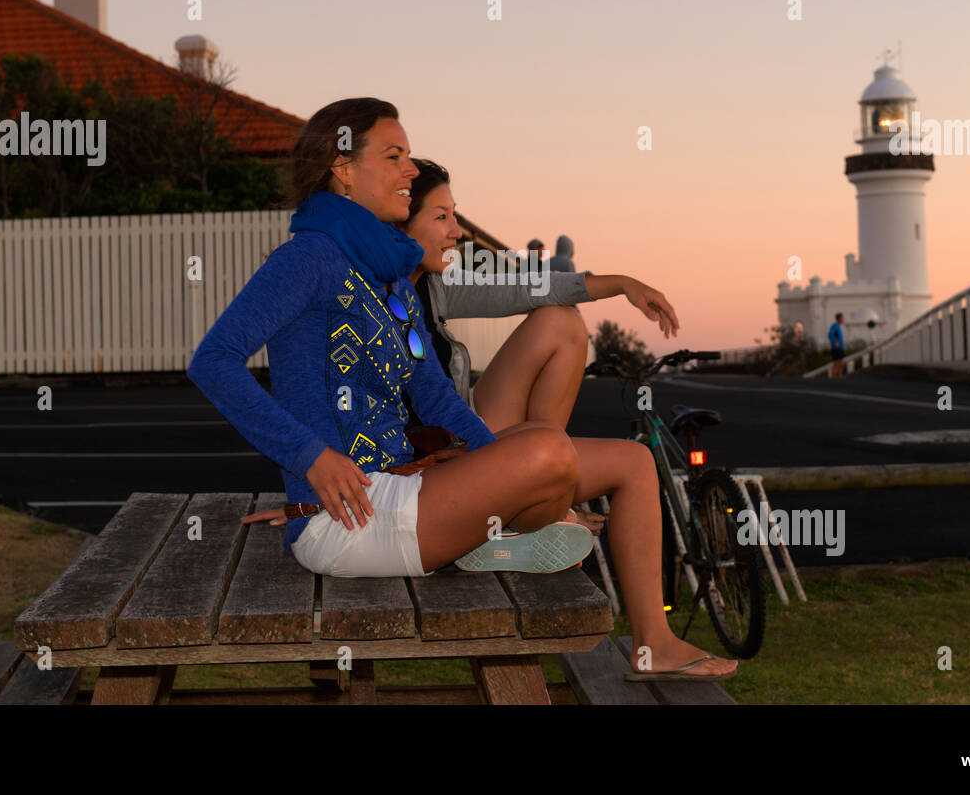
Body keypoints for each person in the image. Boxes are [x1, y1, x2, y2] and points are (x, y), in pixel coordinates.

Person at [189, 99, 735, 680]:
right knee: (547, 454)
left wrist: (501, 467)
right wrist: (311, 459)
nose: (408, 170)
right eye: (394, 156)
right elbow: (213, 361)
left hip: (406, 484)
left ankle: (653, 643)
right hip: (343, 521)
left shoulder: (391, 275)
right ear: (342, 168)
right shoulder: (307, 258)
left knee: (618, 459)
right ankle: (488, 533)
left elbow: (437, 397)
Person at [401, 157, 678, 434]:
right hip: (431, 452)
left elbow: (527, 288)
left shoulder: (437, 286)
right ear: (402, 220)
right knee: (630, 463)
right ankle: (542, 461)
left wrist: (623, 284)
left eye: (454, 216)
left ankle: (544, 460)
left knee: (561, 320)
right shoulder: (367, 297)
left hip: (460, 425)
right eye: (441, 216)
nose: (457, 233)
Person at [828, 313, 845, 378]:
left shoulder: (838, 326)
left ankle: (839, 377)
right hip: (837, 348)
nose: (843, 319)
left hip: (840, 348)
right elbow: (830, 334)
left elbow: (835, 336)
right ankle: (834, 378)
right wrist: (835, 343)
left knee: (841, 364)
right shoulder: (835, 326)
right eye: (842, 318)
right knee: (836, 364)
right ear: (839, 319)